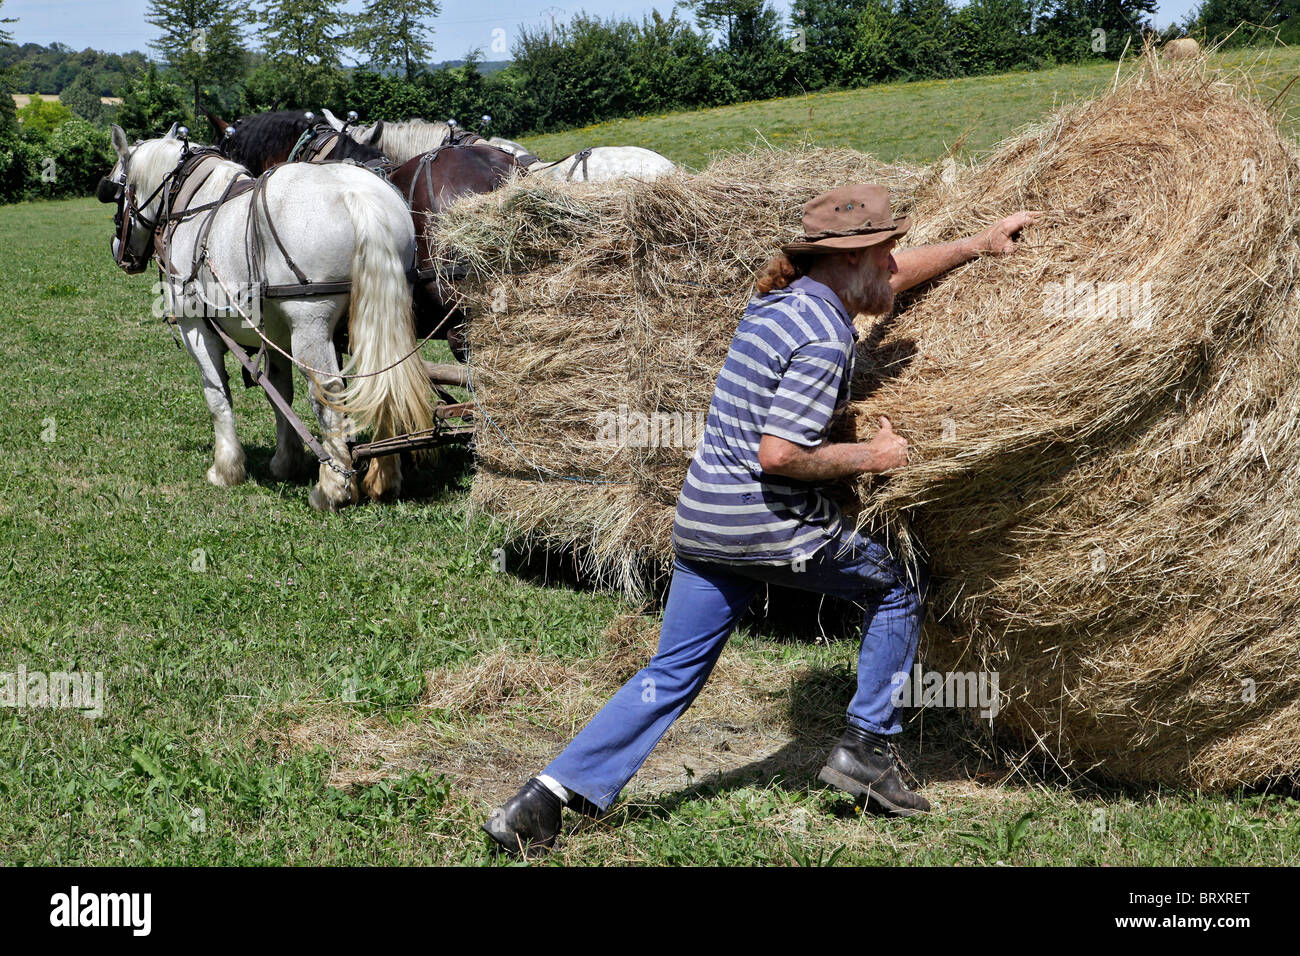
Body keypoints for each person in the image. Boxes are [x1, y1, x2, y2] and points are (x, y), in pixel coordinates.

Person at [483, 183, 1037, 854]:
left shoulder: (779, 303)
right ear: (856, 260)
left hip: (703, 521)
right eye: (887, 254)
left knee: (670, 673)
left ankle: (542, 800)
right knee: (896, 586)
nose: (895, 265)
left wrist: (974, 246)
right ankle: (867, 746)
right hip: (765, 524)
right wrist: (875, 453)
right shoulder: (823, 339)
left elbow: (887, 284)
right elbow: (780, 454)